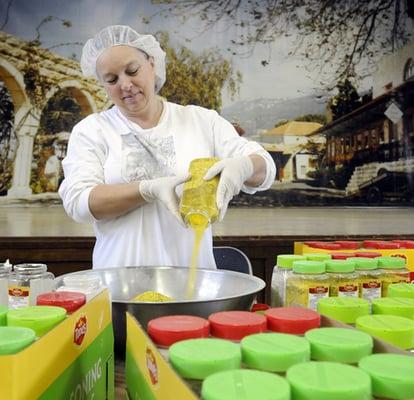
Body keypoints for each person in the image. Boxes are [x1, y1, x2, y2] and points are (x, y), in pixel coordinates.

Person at [59, 25, 276, 269]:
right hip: (119, 285)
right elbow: (79, 202)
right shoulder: (93, 130)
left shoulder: (201, 121)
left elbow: (265, 168)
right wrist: (146, 190)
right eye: (111, 79)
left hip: (194, 283)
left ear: (152, 64)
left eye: (132, 71)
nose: (126, 84)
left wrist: (245, 166)